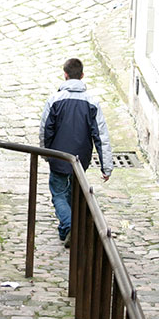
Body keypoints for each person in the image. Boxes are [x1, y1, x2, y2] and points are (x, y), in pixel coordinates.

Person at [39, 58, 113, 245]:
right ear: (82, 76)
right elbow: (101, 135)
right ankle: (65, 230)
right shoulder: (92, 102)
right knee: (73, 193)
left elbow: (45, 129)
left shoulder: (54, 100)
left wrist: (45, 153)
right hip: (80, 160)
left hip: (58, 156)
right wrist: (107, 167)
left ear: (65, 75)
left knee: (58, 194)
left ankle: (70, 225)